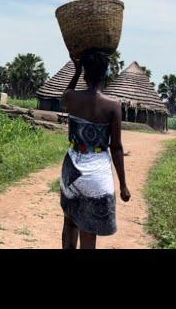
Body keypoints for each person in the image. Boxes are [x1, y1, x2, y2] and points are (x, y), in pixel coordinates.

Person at [59, 48, 131, 249]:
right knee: (88, 231)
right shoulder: (113, 105)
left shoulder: (72, 98)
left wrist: (75, 72)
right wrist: (123, 184)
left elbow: (63, 97)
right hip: (96, 173)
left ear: (85, 73)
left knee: (70, 222)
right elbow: (116, 147)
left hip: (71, 166)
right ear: (105, 74)